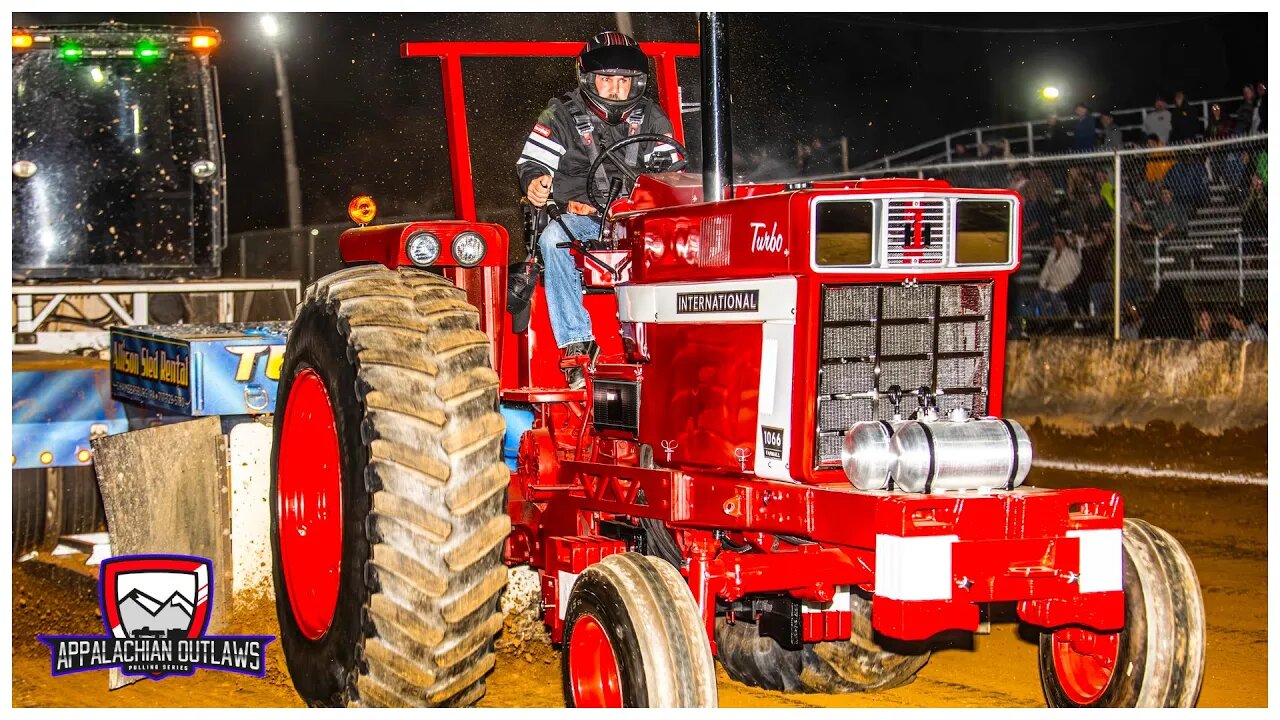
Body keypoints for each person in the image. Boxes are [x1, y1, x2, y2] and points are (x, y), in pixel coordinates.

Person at [517, 31, 681, 388]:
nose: (616, 90)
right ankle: (577, 343)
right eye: (608, 81)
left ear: (637, 83)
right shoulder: (558, 113)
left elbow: (674, 170)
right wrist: (535, 181)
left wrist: (662, 171)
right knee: (553, 239)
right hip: (582, 220)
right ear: (589, 79)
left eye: (624, 82)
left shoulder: (652, 117)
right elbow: (532, 161)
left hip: (637, 220)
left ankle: (667, 339)